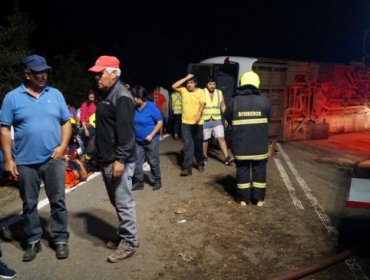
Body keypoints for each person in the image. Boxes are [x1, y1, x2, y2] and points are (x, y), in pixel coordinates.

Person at [0, 54, 72, 261]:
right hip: (25, 161)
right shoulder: (12, 97)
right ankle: (33, 240)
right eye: (39, 72)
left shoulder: (55, 94)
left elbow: (66, 123)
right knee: (29, 203)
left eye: (46, 71)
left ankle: (60, 239)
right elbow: (5, 129)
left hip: (53, 159)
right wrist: (8, 159)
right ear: (27, 74)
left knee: (58, 200)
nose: (44, 75)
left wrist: (63, 146)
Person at [88, 55, 139, 263]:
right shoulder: (106, 94)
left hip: (119, 160)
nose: (97, 78)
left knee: (123, 201)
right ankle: (123, 233)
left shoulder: (122, 96)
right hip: (106, 158)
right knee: (116, 201)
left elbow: (126, 134)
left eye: (101, 73)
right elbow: (104, 129)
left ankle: (130, 241)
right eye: (96, 74)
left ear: (113, 74)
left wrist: (120, 160)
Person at [224, 71, 272, 207]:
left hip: (241, 146)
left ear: (241, 84)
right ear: (257, 84)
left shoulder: (234, 101)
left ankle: (243, 199)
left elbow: (227, 118)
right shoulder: (265, 101)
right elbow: (269, 118)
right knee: (259, 172)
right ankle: (259, 200)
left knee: (242, 171)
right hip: (259, 146)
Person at [172, 74, 205, 176]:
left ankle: (200, 162)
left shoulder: (201, 91)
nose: (189, 85)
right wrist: (186, 78)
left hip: (198, 123)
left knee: (198, 143)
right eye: (188, 83)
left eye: (191, 82)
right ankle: (187, 168)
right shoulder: (183, 90)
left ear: (195, 83)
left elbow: (202, 103)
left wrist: (199, 113)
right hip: (186, 123)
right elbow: (174, 86)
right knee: (187, 145)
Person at [131, 86, 163, 191]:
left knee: (153, 161)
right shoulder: (134, 108)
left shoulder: (151, 107)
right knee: (137, 161)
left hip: (151, 140)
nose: (134, 99)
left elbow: (160, 122)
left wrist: (151, 135)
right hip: (138, 141)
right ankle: (139, 182)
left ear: (141, 97)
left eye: (135, 97)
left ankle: (157, 180)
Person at [203, 77, 234, 165]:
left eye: (214, 84)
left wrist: (226, 118)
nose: (212, 86)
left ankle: (226, 158)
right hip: (205, 120)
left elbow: (223, 106)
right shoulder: (202, 92)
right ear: (207, 85)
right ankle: (204, 155)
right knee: (205, 140)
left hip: (217, 120)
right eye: (210, 84)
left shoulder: (219, 93)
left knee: (221, 138)